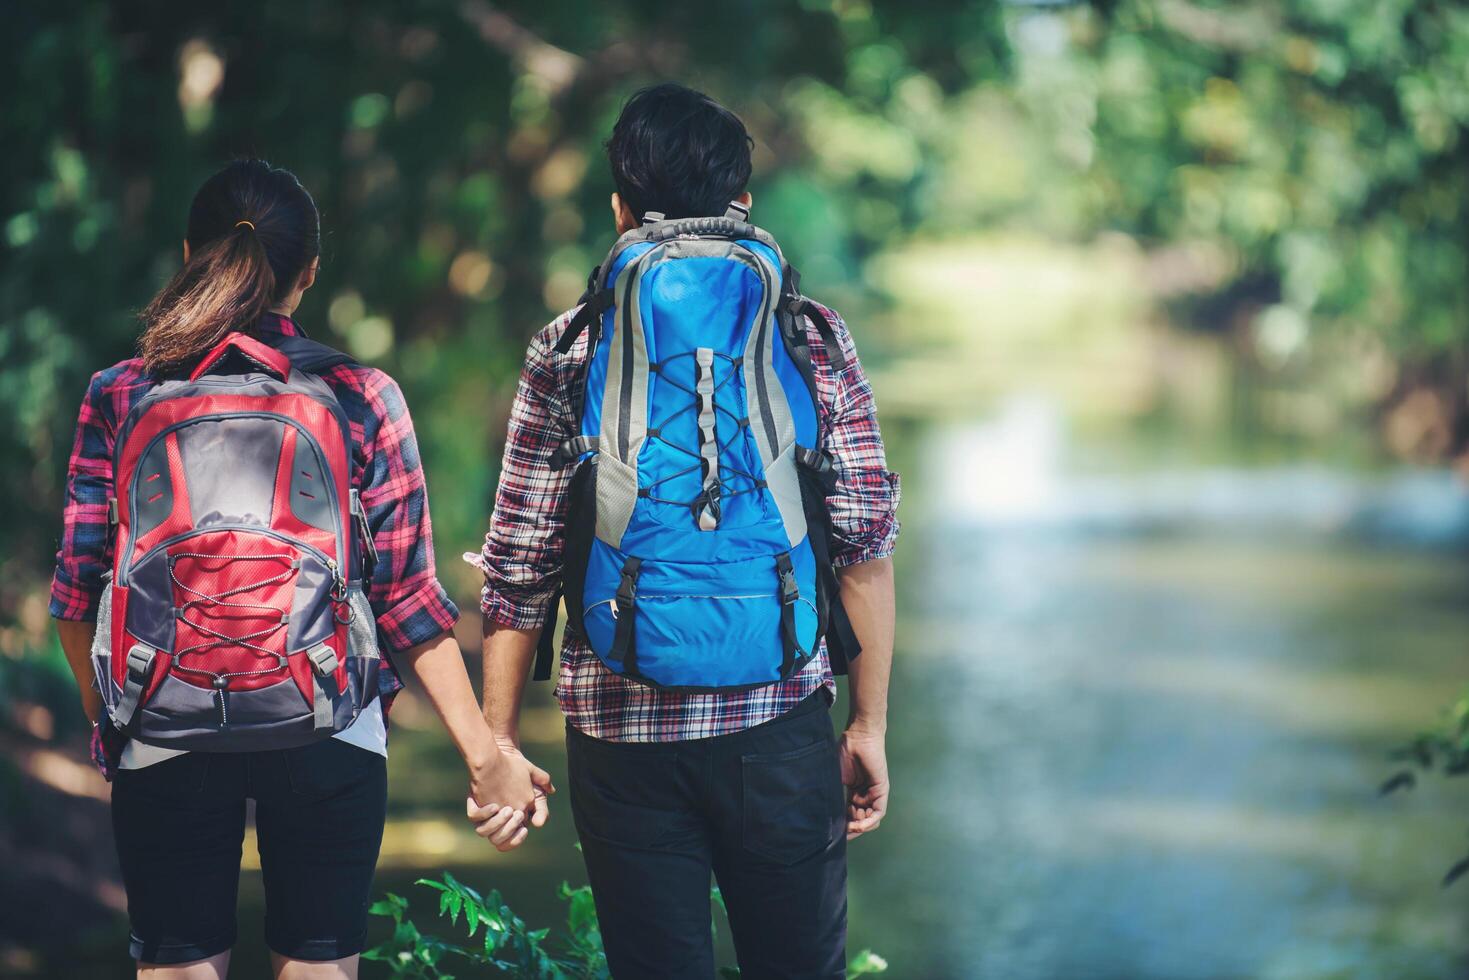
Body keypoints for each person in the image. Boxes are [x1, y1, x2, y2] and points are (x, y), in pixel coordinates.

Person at [51, 159, 543, 980]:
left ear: (188, 254)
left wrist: (111, 720)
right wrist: (485, 753)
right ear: (309, 273)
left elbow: (76, 592)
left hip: (161, 718)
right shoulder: (359, 393)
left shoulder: (121, 392)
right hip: (329, 716)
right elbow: (409, 606)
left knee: (176, 968)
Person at [470, 83, 901, 979]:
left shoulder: (570, 346)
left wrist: (497, 743)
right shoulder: (809, 334)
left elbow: (520, 560)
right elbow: (862, 540)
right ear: (742, 200)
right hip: (778, 715)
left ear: (621, 206)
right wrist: (867, 724)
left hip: (620, 728)